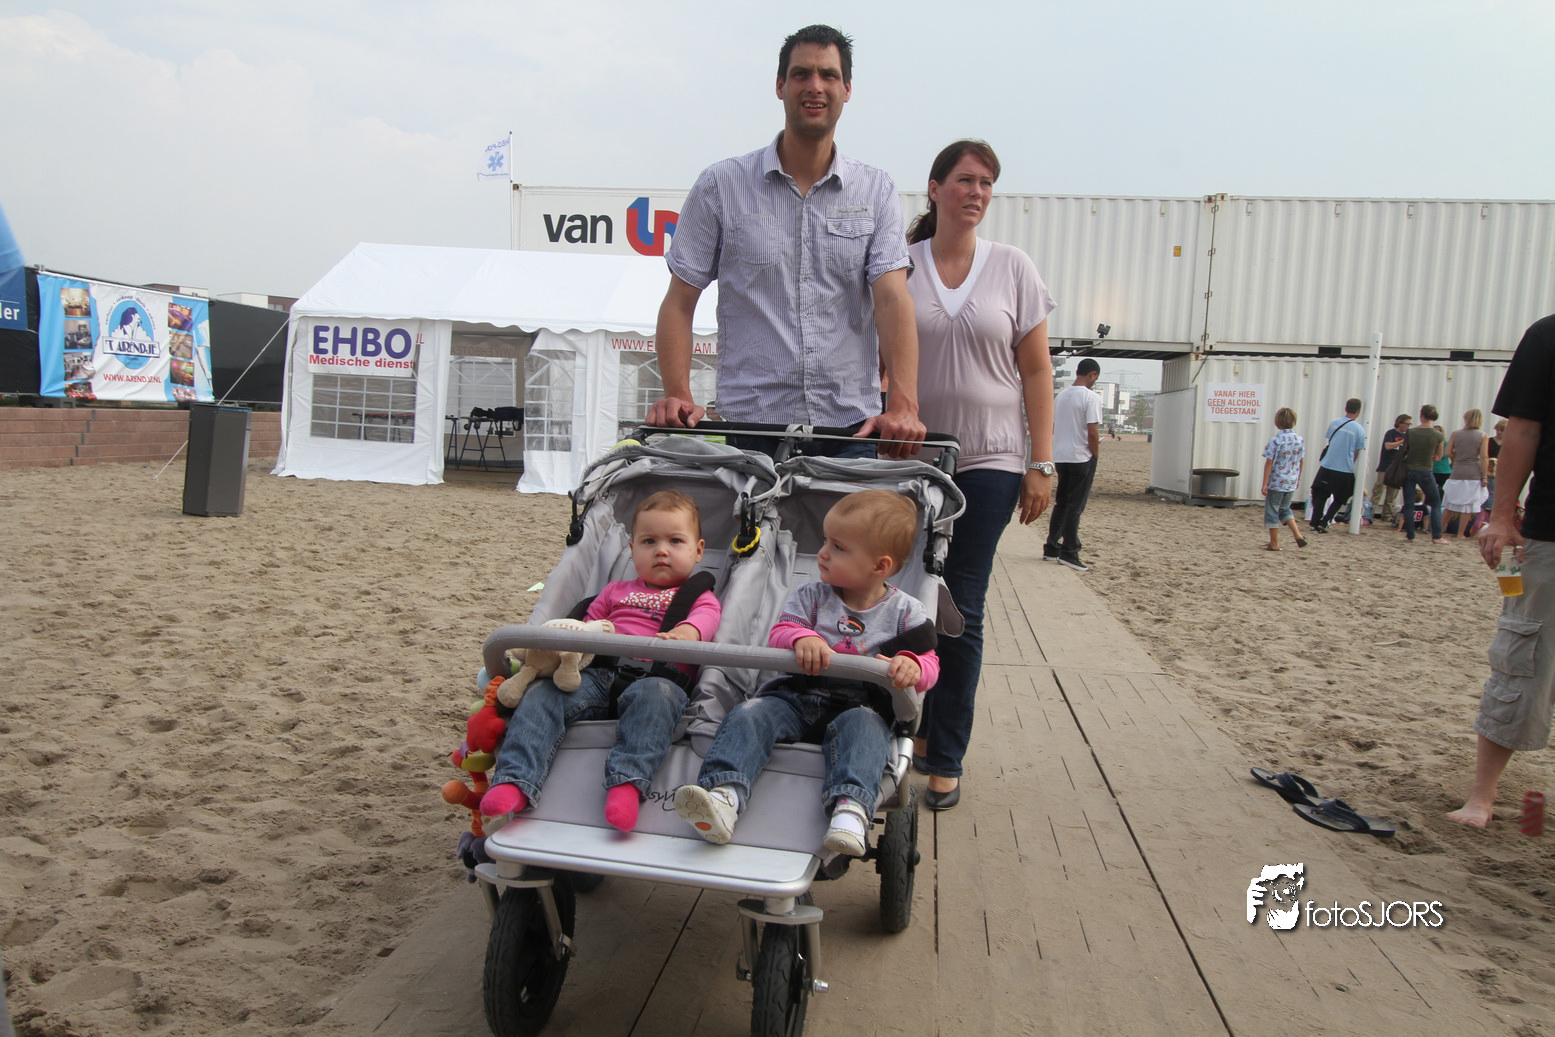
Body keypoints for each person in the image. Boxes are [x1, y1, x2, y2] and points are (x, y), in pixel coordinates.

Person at [646, 24, 924, 460]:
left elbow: (892, 300)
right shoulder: (721, 185)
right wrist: (678, 394)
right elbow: (679, 302)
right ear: (780, 86)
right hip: (750, 428)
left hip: (848, 431)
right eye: (801, 74)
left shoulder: (877, 190)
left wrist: (904, 402)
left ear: (847, 89)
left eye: (828, 75)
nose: (815, 86)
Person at [901, 139, 1055, 810]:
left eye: (987, 182)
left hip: (991, 459)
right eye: (965, 179)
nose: (977, 192)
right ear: (935, 189)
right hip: (911, 461)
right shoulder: (898, 265)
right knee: (907, 598)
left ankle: (946, 756)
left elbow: (1036, 370)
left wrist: (1041, 462)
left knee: (960, 603)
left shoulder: (1012, 267)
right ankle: (911, 727)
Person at [673, 490, 938, 855]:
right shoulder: (812, 595)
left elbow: (930, 664)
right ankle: (724, 793)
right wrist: (802, 636)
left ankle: (850, 809)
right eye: (825, 541)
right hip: (795, 696)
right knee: (750, 714)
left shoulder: (906, 612)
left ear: (880, 566)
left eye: (838, 547)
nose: (823, 553)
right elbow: (780, 631)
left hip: (860, 707)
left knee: (867, 731)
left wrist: (913, 665)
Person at [480, 491, 721, 832]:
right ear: (632, 549)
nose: (661, 550)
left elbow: (702, 626)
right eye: (649, 541)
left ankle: (627, 784)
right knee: (543, 695)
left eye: (675, 541)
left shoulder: (702, 599)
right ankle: (515, 780)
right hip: (596, 674)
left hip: (657, 678)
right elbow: (586, 630)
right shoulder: (614, 592)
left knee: (659, 699)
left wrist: (685, 633)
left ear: (698, 550)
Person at [1449, 315, 1555, 828]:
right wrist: (1502, 515)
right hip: (1550, 534)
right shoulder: (1548, 336)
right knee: (1521, 658)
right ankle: (1483, 797)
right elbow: (1523, 429)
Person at [1045, 359, 1103, 571]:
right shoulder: (1090, 397)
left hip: (1061, 455)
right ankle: (1070, 551)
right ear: (1092, 374)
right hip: (1081, 456)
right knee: (1075, 506)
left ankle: (1051, 547)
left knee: (1061, 503)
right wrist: (1095, 454)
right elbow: (1092, 432)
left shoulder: (1061, 396)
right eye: (1095, 378)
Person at [1306, 398, 1366, 532]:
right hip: (1345, 469)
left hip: (1328, 465)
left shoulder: (1335, 423)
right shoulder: (1359, 429)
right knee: (1341, 498)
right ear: (1358, 411)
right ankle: (1326, 520)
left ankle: (1315, 522)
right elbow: (1357, 450)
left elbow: (1330, 441)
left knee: (1321, 496)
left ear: (1346, 408)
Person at [1260, 407, 1307, 551]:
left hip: (1277, 481)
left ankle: (1274, 543)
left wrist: (1265, 483)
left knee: (1272, 510)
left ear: (1277, 422)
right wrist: (1298, 478)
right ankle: (1298, 534)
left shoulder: (1275, 441)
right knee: (1285, 508)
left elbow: (1269, 462)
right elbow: (1301, 461)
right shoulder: (1299, 440)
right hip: (1291, 481)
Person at [1401, 404, 1448, 545]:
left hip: (1409, 469)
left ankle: (1410, 535)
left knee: (1409, 503)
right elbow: (1439, 456)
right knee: (1435, 503)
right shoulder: (1438, 435)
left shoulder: (1411, 432)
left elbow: (1406, 449)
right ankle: (1437, 536)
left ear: (1421, 415)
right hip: (1426, 470)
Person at [1442, 409, 1491, 538]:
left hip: (1457, 471)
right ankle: (1460, 533)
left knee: (1449, 504)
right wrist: (1485, 476)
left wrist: (1457, 455)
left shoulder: (1456, 434)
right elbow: (1484, 457)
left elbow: (1447, 452)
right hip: (1473, 473)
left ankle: (1440, 530)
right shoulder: (1483, 435)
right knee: (1468, 506)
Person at [1370, 413, 1412, 521]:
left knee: (1392, 494)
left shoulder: (1408, 436)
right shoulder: (1391, 433)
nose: (1408, 426)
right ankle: (1370, 513)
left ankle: (1387, 515)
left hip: (1398, 468)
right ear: (1400, 423)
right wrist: (1402, 442)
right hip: (1386, 466)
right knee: (1378, 490)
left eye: (1409, 424)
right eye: (1407, 424)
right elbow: (1388, 446)